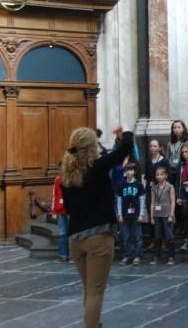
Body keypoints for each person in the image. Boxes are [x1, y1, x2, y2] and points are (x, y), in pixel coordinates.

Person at [61, 124, 133, 328]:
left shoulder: (67, 175)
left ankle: (94, 323)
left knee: (89, 289)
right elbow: (126, 147)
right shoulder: (98, 167)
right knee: (95, 291)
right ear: (91, 148)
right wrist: (125, 130)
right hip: (98, 238)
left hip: (75, 239)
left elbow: (67, 207)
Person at [143, 140, 171, 250]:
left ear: (159, 148)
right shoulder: (148, 161)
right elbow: (146, 177)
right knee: (152, 216)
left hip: (162, 192)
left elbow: (168, 177)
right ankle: (153, 240)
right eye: (151, 146)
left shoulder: (164, 161)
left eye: (155, 146)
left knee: (162, 216)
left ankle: (163, 240)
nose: (152, 148)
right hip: (150, 191)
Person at [117, 163, 146, 266]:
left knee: (137, 236)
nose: (129, 172)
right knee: (126, 236)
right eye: (127, 170)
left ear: (134, 172)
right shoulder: (121, 186)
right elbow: (119, 201)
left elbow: (142, 200)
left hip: (136, 215)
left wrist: (141, 214)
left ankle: (138, 256)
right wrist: (120, 214)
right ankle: (127, 255)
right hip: (125, 215)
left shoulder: (138, 185)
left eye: (131, 170)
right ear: (124, 173)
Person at [149, 166, 176, 265]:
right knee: (157, 236)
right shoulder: (154, 188)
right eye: (157, 175)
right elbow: (152, 203)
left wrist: (171, 215)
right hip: (157, 215)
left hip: (167, 215)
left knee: (169, 236)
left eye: (161, 174)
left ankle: (171, 257)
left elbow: (173, 201)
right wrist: (152, 216)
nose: (159, 176)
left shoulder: (170, 187)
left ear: (166, 175)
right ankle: (157, 256)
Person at [51, 175, 70, 264]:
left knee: (72, 233)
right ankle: (63, 255)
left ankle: (74, 255)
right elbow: (54, 195)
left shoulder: (73, 177)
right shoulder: (58, 180)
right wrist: (53, 211)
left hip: (71, 210)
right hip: (60, 209)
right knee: (62, 233)